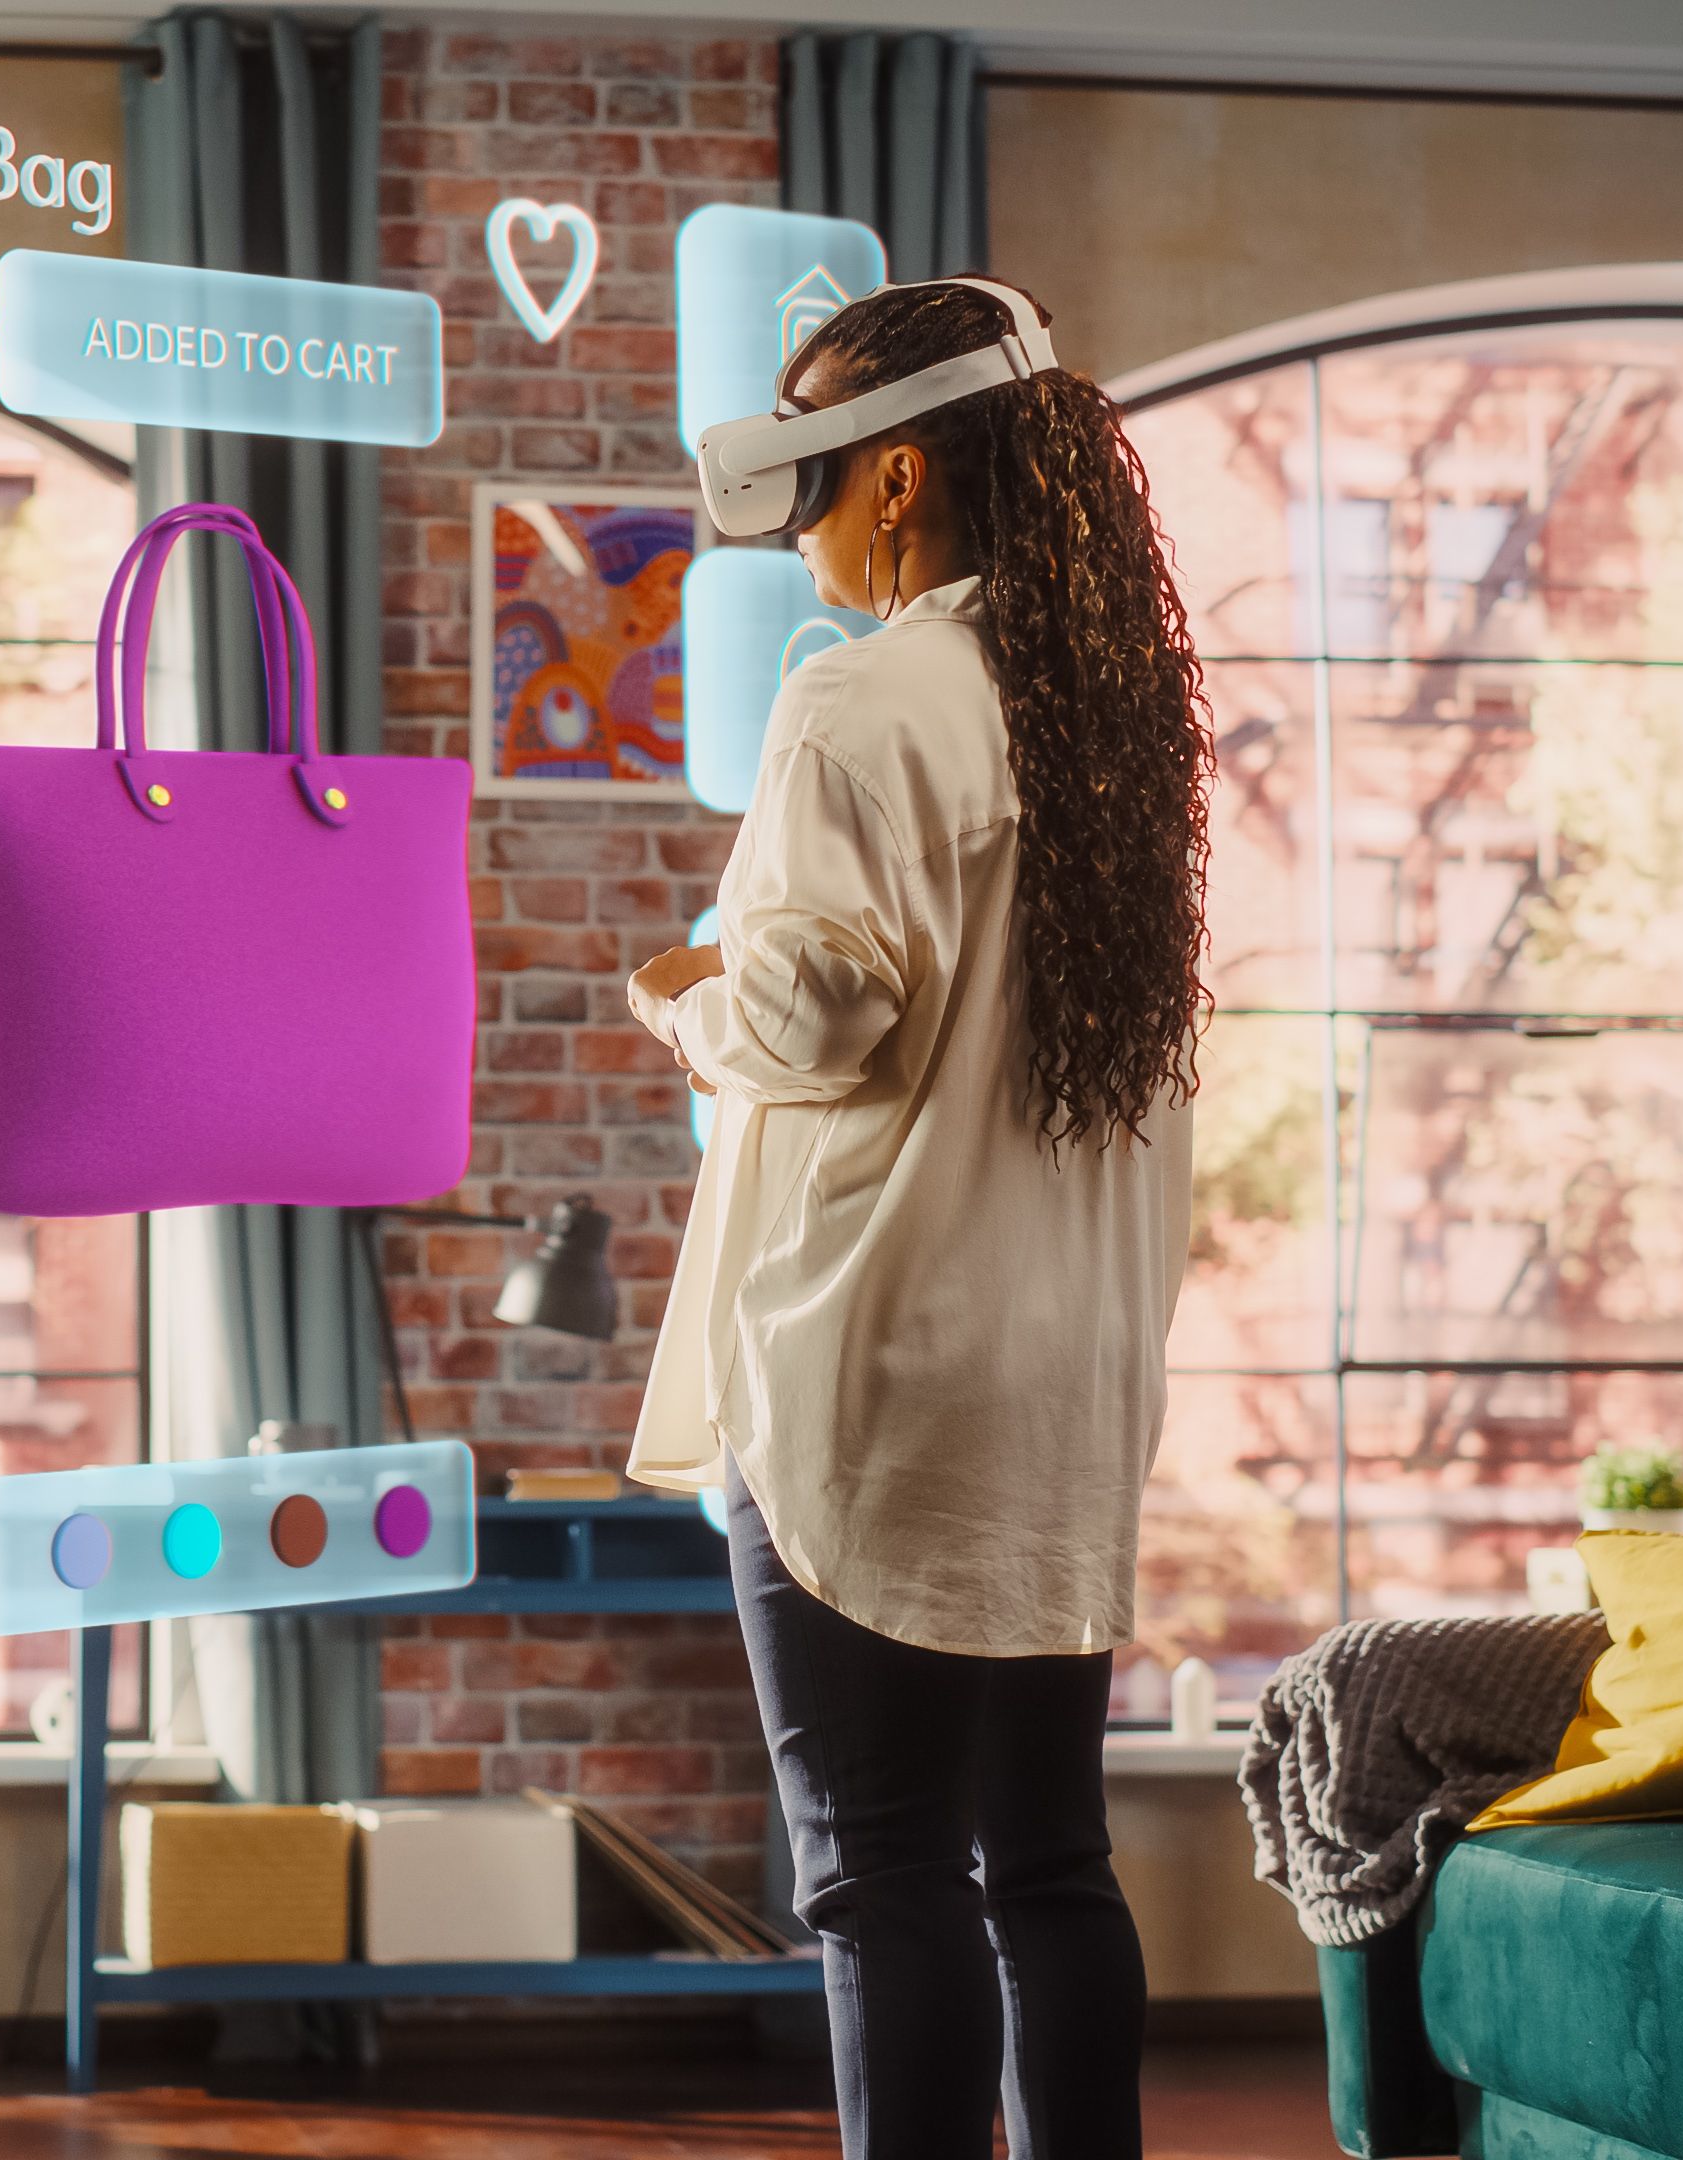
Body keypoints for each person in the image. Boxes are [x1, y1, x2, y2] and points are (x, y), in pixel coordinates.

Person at [627, 275, 1212, 2160]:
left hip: (880, 1368)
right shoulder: (1112, 731)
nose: (798, 540)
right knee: (1045, 1860)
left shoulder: (864, 700)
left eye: (809, 486)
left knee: (877, 1874)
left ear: (893, 479)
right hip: (1063, 1374)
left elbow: (820, 1019)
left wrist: (679, 988)